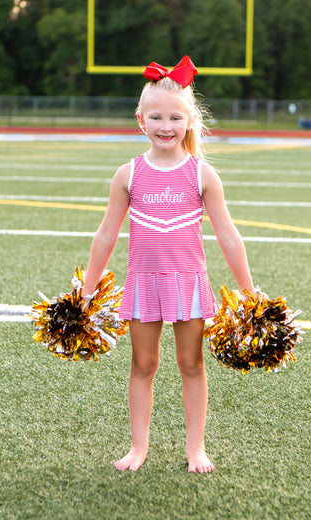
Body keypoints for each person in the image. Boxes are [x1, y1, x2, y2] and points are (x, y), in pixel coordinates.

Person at [82, 56, 255, 473]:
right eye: (156, 116)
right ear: (140, 120)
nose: (165, 126)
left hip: (189, 284)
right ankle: (138, 448)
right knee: (143, 364)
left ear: (190, 121)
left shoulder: (202, 174)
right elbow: (106, 234)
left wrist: (249, 290)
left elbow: (229, 235)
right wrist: (88, 288)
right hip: (143, 284)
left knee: (191, 364)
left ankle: (196, 448)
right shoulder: (128, 174)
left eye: (175, 117)